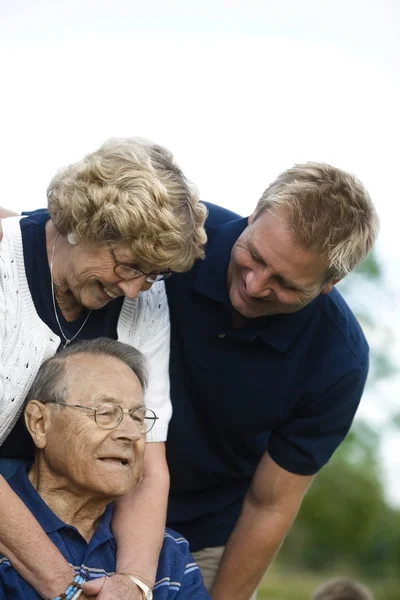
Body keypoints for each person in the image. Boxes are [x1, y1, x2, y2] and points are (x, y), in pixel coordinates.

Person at [0, 138, 207, 600]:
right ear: (83, 224)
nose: (135, 290)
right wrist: (65, 585)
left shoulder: (144, 299)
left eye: (152, 275)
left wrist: (133, 583)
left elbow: (148, 460)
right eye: (128, 265)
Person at [165, 162, 379, 599]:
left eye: (284, 282)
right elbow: (58, 238)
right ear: (254, 214)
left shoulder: (339, 361)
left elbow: (270, 505)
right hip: (86, 491)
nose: (254, 284)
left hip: (207, 536)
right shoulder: (176, 232)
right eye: (256, 256)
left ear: (328, 284)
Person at [0, 337, 210, 600]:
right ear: (40, 424)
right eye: (106, 413)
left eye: (138, 417)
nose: (132, 434)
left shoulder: (169, 554)